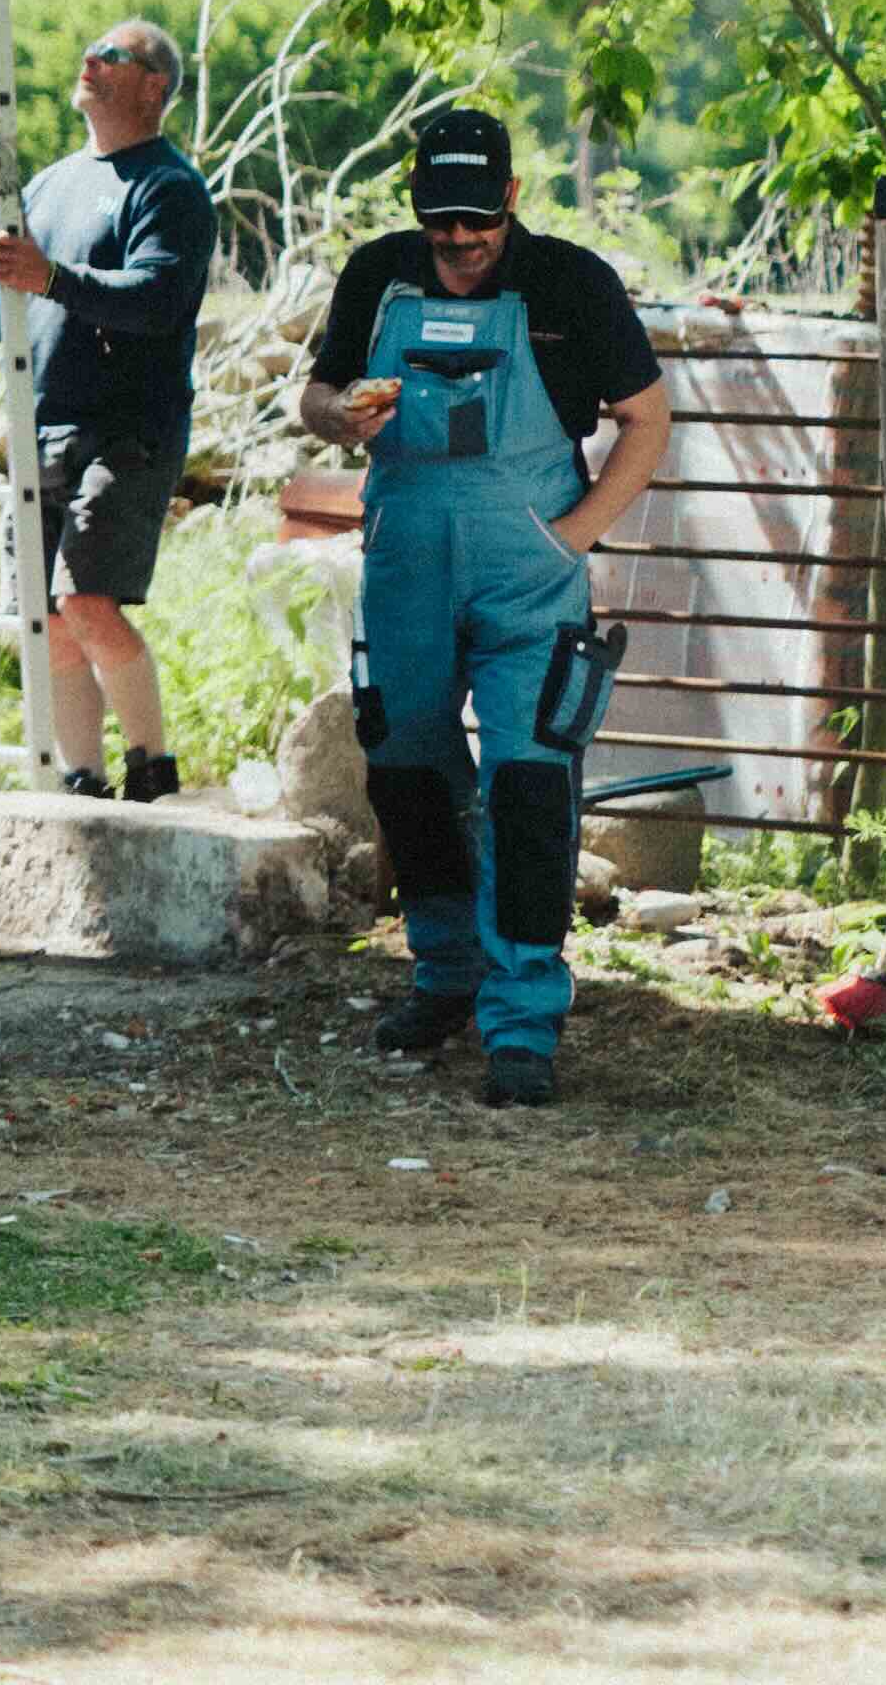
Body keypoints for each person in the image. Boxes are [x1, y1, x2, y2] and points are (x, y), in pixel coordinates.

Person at [296, 106, 675, 1108]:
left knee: (528, 780)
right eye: (438, 221)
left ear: (511, 197)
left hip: (530, 575)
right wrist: (339, 413)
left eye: (476, 220)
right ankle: (446, 971)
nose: (458, 241)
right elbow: (317, 392)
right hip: (407, 564)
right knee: (407, 769)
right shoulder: (378, 272)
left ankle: (523, 1017)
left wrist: (575, 535)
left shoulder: (572, 284)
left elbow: (648, 419)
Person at [0, 18, 217, 801]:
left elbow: (158, 300)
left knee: (86, 600)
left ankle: (153, 769)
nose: (89, 62)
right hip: (44, 427)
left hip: (129, 433)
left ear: (153, 86)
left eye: (113, 56)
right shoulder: (54, 182)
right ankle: (82, 781)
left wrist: (51, 277)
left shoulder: (171, 189)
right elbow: (15, 301)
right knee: (51, 616)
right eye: (91, 53)